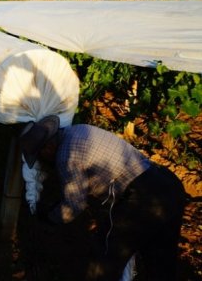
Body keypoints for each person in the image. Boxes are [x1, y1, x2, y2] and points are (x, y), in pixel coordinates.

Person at [19, 115, 187, 280]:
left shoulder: (66, 155)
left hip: (144, 197)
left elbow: (73, 206)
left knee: (105, 259)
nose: (44, 162)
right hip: (168, 185)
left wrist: (48, 217)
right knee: (160, 260)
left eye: (41, 157)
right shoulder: (78, 130)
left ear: (47, 148)